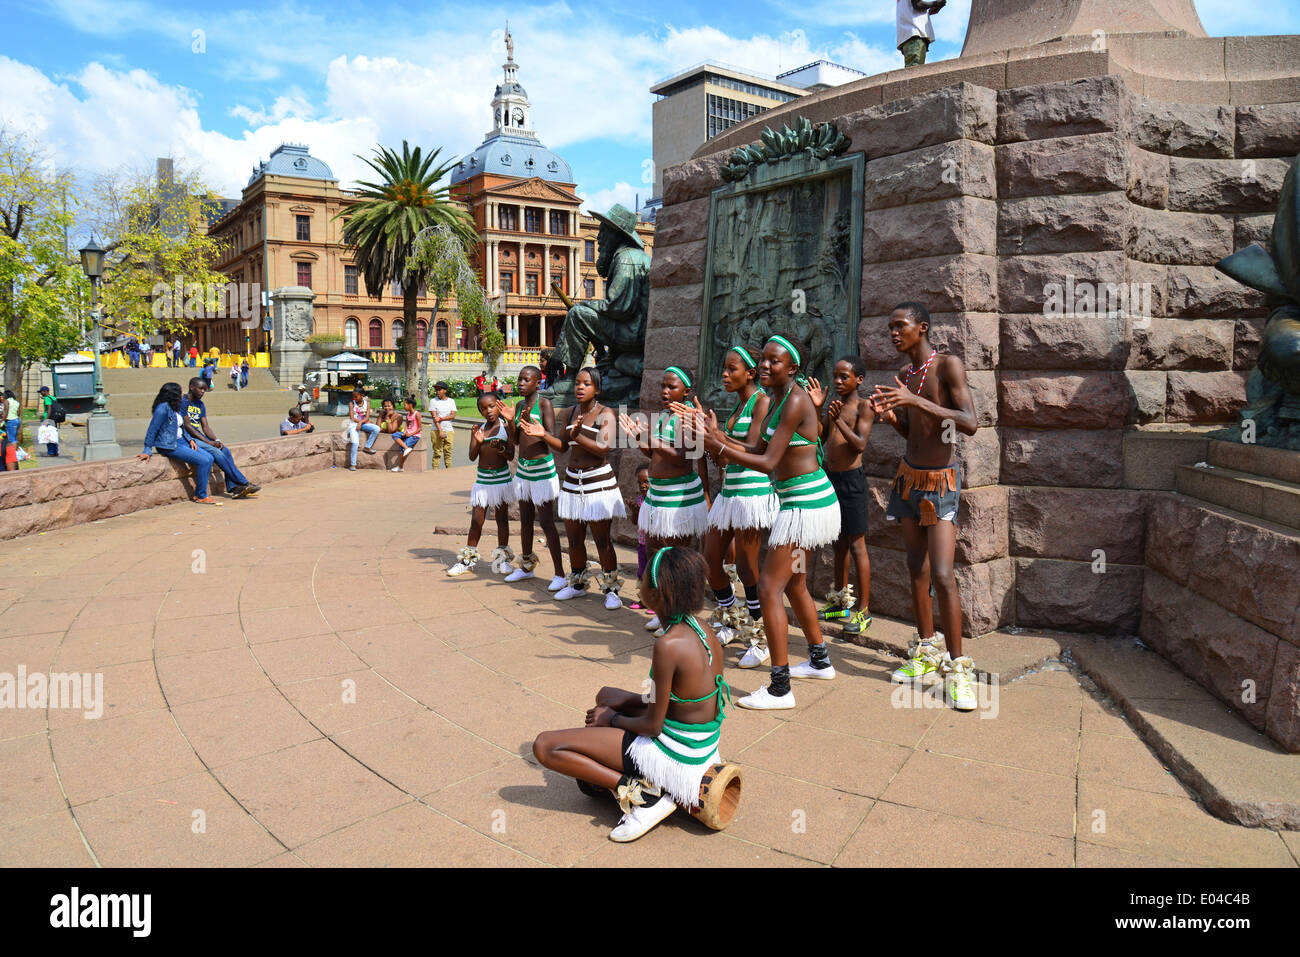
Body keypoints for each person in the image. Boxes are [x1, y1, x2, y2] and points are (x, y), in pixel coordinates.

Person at [532, 546, 728, 843]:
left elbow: (653, 726)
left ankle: (642, 796)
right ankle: (630, 778)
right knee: (605, 694)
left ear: (659, 594)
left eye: (643, 582)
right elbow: (678, 698)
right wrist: (620, 703)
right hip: (701, 741)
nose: (638, 586)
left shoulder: (668, 645)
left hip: (677, 751)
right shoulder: (701, 628)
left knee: (545, 746)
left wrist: (612, 718)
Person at [694, 334, 839, 710]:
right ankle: (820, 660)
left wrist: (718, 446)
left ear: (793, 369)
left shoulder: (793, 400)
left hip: (804, 507)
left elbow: (769, 463)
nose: (766, 365)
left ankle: (780, 688)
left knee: (771, 588)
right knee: (796, 585)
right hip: (805, 504)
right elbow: (757, 449)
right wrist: (719, 439)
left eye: (775, 361)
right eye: (765, 360)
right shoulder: (777, 400)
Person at [872, 301, 979, 711]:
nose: (893, 333)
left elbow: (969, 422)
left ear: (923, 327)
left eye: (900, 326)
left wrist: (915, 403)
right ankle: (926, 651)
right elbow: (913, 435)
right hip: (908, 479)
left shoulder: (947, 366)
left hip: (941, 484)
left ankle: (959, 669)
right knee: (915, 569)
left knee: (943, 573)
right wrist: (893, 417)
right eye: (890, 327)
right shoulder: (904, 376)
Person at [690, 345, 777, 668]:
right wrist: (709, 438)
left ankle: (760, 635)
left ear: (750, 373)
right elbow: (723, 455)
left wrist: (717, 438)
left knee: (747, 567)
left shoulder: (762, 402)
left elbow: (756, 449)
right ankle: (732, 616)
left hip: (750, 494)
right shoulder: (737, 406)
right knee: (711, 560)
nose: (724, 375)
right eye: (724, 369)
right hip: (729, 492)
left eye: (732, 369)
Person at [620, 367, 710, 633]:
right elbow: (652, 452)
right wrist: (638, 436)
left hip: (679, 497)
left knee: (676, 560)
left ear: (687, 392)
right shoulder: (662, 417)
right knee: (654, 555)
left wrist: (650, 439)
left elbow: (683, 457)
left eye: (672, 387)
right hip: (658, 496)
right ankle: (663, 611)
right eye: (663, 386)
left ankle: (679, 616)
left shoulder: (689, 419)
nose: (665, 391)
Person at [528, 368, 625, 608]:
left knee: (602, 539)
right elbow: (562, 446)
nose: (580, 387)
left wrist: (579, 435)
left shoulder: (606, 413)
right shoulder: (570, 412)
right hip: (572, 482)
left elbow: (604, 449)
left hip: (598, 482)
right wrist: (543, 435)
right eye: (578, 383)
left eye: (587, 384)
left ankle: (611, 588)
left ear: (598, 389)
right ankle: (578, 583)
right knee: (573, 539)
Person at [809, 356, 874, 637]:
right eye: (835, 376)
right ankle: (840, 603)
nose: (837, 382)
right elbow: (820, 437)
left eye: (844, 377)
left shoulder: (864, 406)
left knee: (857, 545)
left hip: (852, 482)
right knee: (837, 545)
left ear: (858, 379)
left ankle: (864, 610)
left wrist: (839, 421)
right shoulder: (834, 406)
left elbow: (859, 444)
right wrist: (820, 410)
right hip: (831, 479)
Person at [503, 366, 567, 590]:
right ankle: (527, 566)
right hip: (524, 469)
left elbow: (550, 435)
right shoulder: (520, 406)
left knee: (547, 521)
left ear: (537, 384)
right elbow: (517, 441)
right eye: (519, 379)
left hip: (542, 469)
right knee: (526, 520)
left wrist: (539, 430)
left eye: (526, 379)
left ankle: (559, 574)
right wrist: (511, 421)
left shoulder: (544, 404)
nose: (521, 383)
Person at [447, 394, 517, 576]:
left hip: (501, 480)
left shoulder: (505, 428)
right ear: (480, 411)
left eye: (492, 406)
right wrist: (477, 442)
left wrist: (500, 447)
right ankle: (467, 560)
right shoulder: (479, 430)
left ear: (498, 406)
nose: (489, 411)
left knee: (502, 520)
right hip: (483, 481)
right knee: (477, 520)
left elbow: (510, 454)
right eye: (484, 408)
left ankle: (502, 559)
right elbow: (472, 456)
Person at [138, 382, 220, 505]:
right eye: (180, 392)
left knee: (209, 457)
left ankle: (200, 494)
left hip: (182, 441)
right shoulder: (162, 408)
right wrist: (147, 449)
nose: (183, 394)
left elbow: (181, 427)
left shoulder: (174, 407)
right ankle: (201, 495)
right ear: (173, 394)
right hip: (169, 445)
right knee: (203, 460)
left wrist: (190, 439)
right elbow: (152, 429)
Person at [181, 378, 261, 498]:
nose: (203, 392)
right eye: (200, 388)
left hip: (199, 436)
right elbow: (187, 426)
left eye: (205, 389)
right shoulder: (183, 402)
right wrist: (209, 443)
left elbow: (206, 427)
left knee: (225, 450)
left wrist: (216, 440)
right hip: (188, 438)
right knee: (217, 453)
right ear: (191, 387)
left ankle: (234, 487)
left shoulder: (200, 404)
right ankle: (243, 482)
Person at [898, 0, 945, 67]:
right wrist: (935, 3)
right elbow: (918, 4)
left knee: (911, 68)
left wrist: (930, 9)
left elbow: (912, 9)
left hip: (908, 36)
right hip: (915, 35)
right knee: (915, 69)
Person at [343, 387, 380, 470]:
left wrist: (360, 422)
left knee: (376, 428)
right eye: (353, 396)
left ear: (362, 395)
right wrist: (358, 422)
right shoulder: (351, 403)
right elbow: (352, 417)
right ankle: (353, 464)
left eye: (356, 396)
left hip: (363, 423)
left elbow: (367, 417)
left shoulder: (367, 403)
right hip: (353, 424)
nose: (354, 398)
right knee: (355, 443)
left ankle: (367, 446)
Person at [390, 395, 422, 472]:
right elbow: (407, 425)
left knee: (402, 449)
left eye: (405, 405)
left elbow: (420, 428)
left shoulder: (417, 414)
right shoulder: (408, 415)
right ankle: (407, 448)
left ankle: (400, 467)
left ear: (410, 405)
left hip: (415, 436)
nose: (404, 406)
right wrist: (404, 432)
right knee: (394, 435)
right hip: (408, 433)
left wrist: (410, 434)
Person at [429, 381, 457, 469]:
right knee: (437, 452)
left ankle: (449, 471)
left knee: (448, 452)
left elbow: (452, 416)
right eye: (436, 389)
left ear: (445, 390)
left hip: (449, 430)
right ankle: (435, 470)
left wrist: (441, 418)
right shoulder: (433, 401)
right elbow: (434, 418)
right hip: (436, 430)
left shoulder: (451, 401)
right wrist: (440, 431)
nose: (437, 391)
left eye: (439, 389)